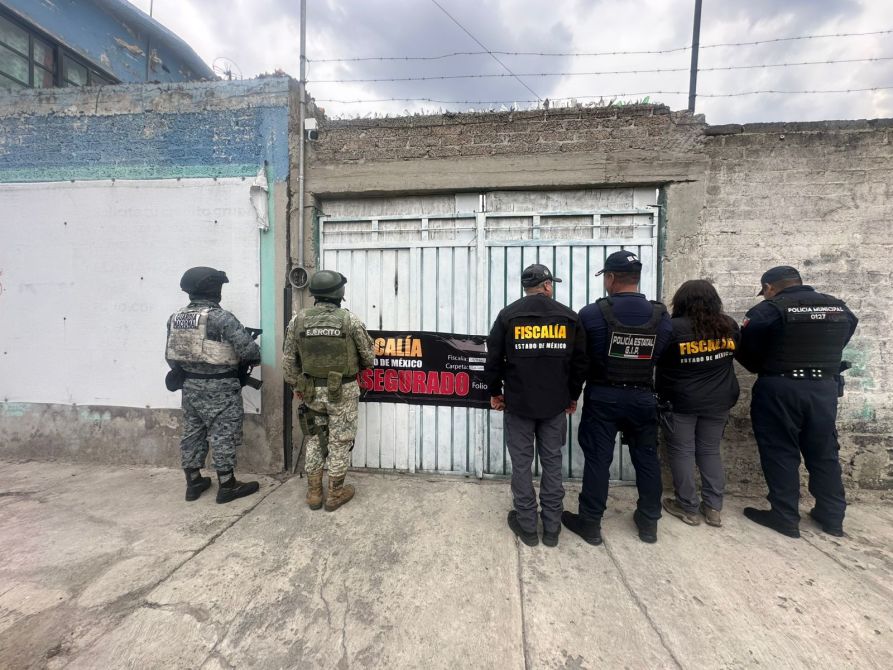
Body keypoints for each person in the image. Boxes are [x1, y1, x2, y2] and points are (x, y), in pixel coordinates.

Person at [736, 266, 858, 538]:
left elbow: (745, 348)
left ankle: (784, 516)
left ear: (769, 287)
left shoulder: (768, 310)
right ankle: (832, 517)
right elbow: (844, 336)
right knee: (824, 452)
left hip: (781, 387)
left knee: (780, 450)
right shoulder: (838, 308)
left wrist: (765, 366)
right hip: (823, 388)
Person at [563, 251, 672, 545]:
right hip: (642, 397)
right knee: (646, 458)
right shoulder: (660, 316)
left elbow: (580, 361)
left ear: (610, 278)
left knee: (598, 460)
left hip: (603, 396)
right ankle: (649, 523)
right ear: (636, 278)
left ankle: (590, 524)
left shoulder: (591, 313)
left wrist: (572, 394)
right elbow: (661, 355)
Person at [484, 264, 588, 548]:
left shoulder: (508, 316)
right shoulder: (568, 317)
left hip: (519, 404)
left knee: (521, 465)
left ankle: (528, 527)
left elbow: (493, 361)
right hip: (555, 406)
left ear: (525, 287)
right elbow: (580, 363)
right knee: (552, 463)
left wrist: (495, 392)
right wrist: (572, 396)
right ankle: (552, 528)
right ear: (547, 286)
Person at [165, 266, 262, 504]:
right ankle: (227, 485)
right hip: (221, 389)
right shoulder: (221, 318)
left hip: (190, 388)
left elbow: (171, 355)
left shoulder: (175, 318)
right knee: (223, 435)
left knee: (192, 433)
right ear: (213, 290)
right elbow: (250, 352)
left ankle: (193, 482)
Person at [283, 270, 374, 512]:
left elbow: (288, 362)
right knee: (339, 442)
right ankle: (334, 494)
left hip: (312, 392)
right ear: (339, 293)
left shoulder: (298, 321)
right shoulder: (349, 321)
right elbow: (369, 357)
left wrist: (297, 386)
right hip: (342, 392)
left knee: (314, 438)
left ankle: (314, 493)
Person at [656, 280, 740, 528]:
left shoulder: (671, 328)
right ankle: (714, 507)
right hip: (719, 401)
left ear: (681, 301)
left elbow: (656, 359)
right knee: (710, 450)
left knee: (682, 451)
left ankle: (688, 506)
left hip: (682, 401)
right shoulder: (728, 326)